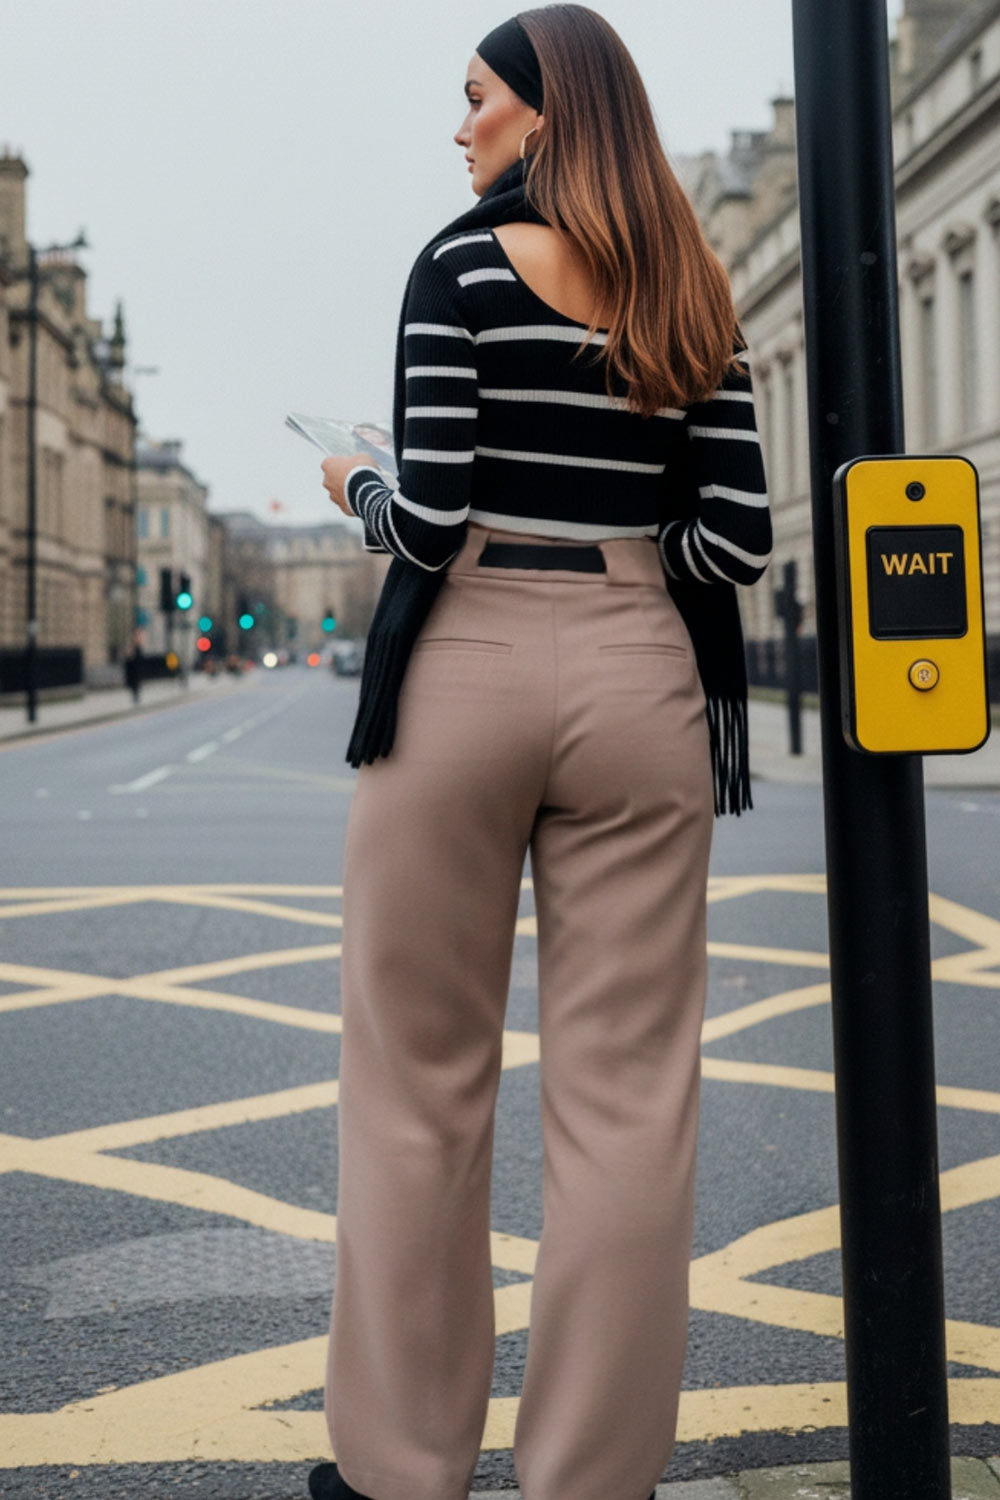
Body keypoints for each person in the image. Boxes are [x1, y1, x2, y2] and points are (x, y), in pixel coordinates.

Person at [312, 9, 771, 1500]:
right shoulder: (695, 284)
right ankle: (587, 1478)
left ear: (544, 116)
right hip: (644, 675)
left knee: (416, 1087)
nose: (459, 133)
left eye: (475, 102)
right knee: (631, 1100)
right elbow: (735, 541)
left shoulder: (457, 267)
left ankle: (400, 1471)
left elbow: (433, 524)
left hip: (467, 666)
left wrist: (354, 477)